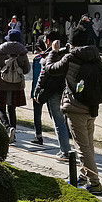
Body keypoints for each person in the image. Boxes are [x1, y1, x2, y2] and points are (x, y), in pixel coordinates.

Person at [45, 27, 102, 194]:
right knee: (88, 144)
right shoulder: (94, 55)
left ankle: (95, 183)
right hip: (91, 105)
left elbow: (51, 68)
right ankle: (84, 175)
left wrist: (53, 51)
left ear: (71, 43)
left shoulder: (71, 57)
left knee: (82, 147)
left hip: (76, 106)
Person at [30, 31, 72, 159]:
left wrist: (36, 92)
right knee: (63, 121)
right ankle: (65, 148)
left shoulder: (50, 55)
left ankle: (65, 150)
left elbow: (43, 76)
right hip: (65, 90)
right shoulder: (67, 54)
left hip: (52, 91)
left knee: (58, 121)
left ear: (48, 41)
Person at [0, 29, 30, 143]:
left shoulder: (0, 50)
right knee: (12, 109)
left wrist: (0, 69)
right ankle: (14, 132)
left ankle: (7, 128)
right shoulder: (22, 51)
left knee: (0, 109)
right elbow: (26, 70)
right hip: (17, 85)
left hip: (2, 84)